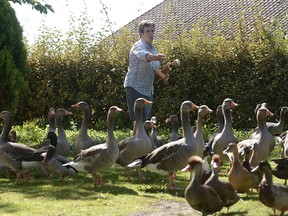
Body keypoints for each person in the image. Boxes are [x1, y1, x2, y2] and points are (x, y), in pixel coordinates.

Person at [123, 20, 167, 135]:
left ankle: (136, 144)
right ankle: (136, 146)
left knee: (142, 120)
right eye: (148, 31)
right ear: (141, 34)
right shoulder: (138, 45)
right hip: (134, 86)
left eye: (152, 31)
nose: (151, 33)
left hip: (147, 89)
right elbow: (144, 56)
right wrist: (156, 57)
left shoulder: (153, 48)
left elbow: (154, 70)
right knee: (140, 120)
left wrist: (162, 75)